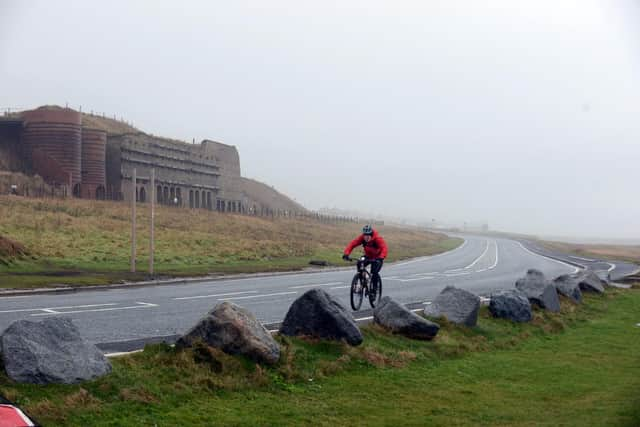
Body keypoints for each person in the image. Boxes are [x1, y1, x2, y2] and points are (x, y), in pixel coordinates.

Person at [342, 224, 387, 291]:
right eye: (365, 235)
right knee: (359, 263)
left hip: (377, 258)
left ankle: (374, 289)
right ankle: (362, 282)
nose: (366, 237)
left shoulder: (377, 239)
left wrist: (381, 257)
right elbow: (352, 244)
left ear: (371, 235)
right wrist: (346, 254)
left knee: (374, 272)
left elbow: (384, 248)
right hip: (368, 256)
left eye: (368, 236)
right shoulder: (362, 238)